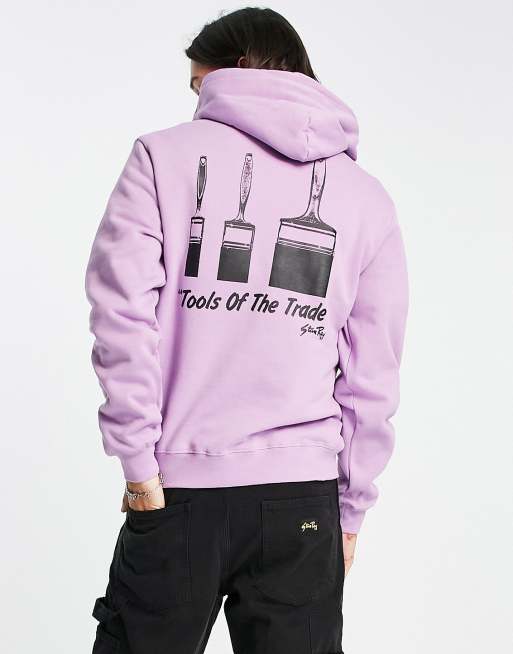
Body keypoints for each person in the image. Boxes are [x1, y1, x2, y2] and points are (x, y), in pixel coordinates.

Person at [86, 7, 408, 654]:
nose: (197, 101)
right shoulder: (366, 196)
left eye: (198, 84)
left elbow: (122, 317)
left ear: (231, 71)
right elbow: (372, 373)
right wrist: (350, 508)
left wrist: (140, 465)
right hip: (303, 502)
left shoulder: (161, 157)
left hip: (178, 488)